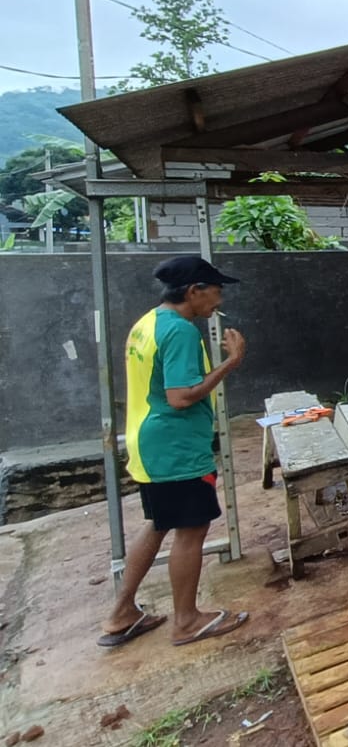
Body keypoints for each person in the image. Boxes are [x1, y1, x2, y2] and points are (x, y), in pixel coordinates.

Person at [98, 256, 249, 649]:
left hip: (149, 441)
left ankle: (122, 612)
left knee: (159, 522)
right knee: (192, 529)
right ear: (194, 291)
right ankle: (187, 621)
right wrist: (231, 363)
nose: (218, 300)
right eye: (215, 291)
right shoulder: (181, 332)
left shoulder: (148, 323)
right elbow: (181, 397)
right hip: (175, 446)